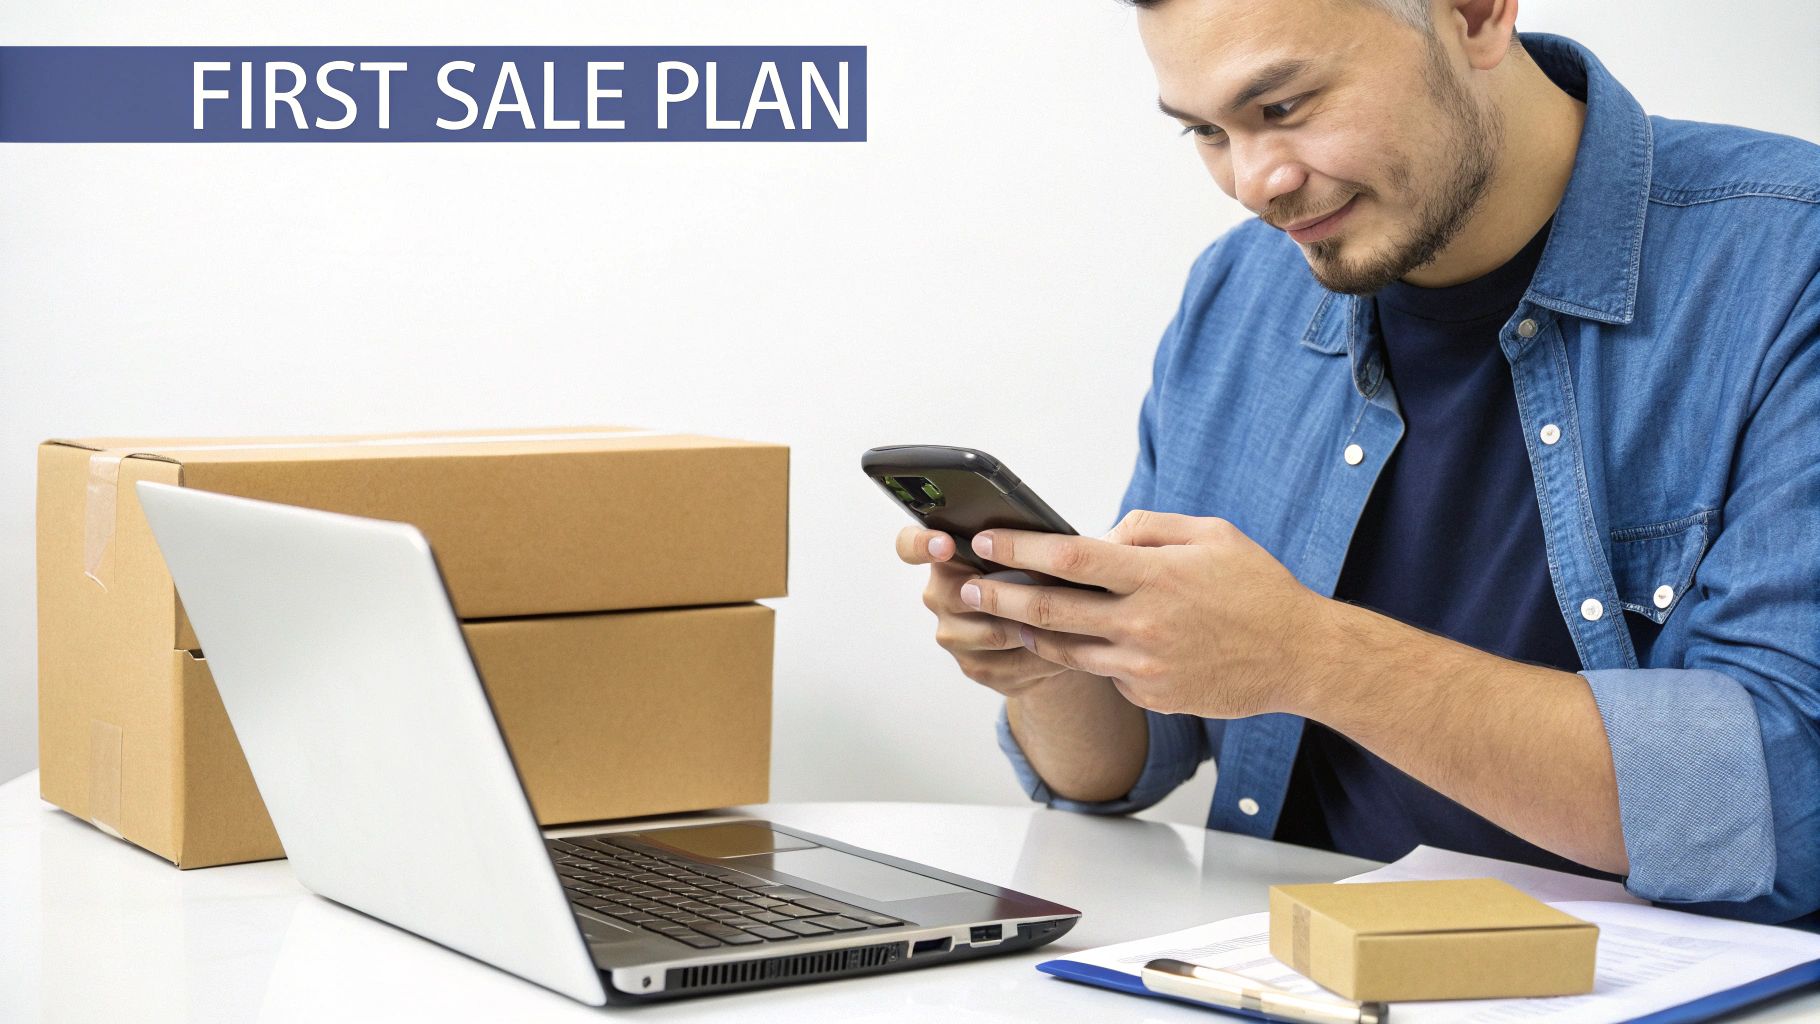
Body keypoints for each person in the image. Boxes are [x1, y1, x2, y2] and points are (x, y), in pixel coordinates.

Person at [895, 0, 1820, 924]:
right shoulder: (1239, 289)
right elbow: (1124, 765)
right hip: (1266, 964)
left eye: (1284, 107)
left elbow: (1789, 799)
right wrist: (1048, 650)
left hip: (1627, 978)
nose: (1254, 183)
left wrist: (1309, 655)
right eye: (1206, 132)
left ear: (1474, 16)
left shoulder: (1787, 262)